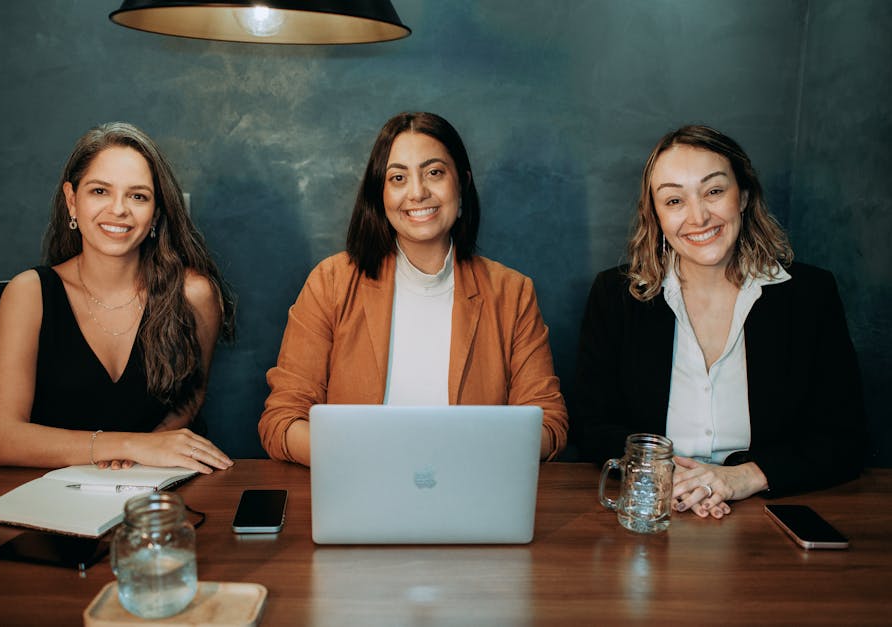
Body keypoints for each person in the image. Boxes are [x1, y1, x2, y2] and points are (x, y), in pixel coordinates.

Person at [576, 124, 866, 518]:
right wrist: (665, 472)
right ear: (656, 215)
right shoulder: (614, 294)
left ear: (743, 196)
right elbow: (590, 424)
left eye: (714, 191)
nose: (698, 216)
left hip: (766, 513)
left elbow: (846, 439)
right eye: (674, 200)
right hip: (651, 509)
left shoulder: (809, 294)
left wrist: (743, 477)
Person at [259, 112, 568, 466]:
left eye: (434, 172)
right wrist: (366, 459)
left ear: (462, 183)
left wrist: (469, 455)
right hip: (360, 488)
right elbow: (281, 421)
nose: (418, 192)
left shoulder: (512, 294)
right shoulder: (330, 283)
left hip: (468, 492)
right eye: (398, 177)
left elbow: (550, 424)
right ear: (381, 194)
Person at [0, 122, 236, 473]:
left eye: (138, 196)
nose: (119, 209)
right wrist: (130, 445)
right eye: (100, 191)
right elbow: (0, 440)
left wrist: (137, 462)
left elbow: (190, 399)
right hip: (50, 495)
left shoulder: (194, 294)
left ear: (156, 214)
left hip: (159, 491)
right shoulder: (29, 293)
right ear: (72, 201)